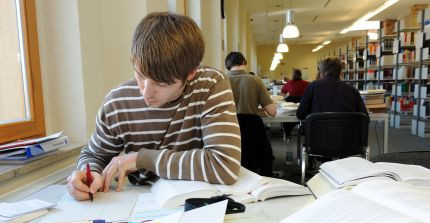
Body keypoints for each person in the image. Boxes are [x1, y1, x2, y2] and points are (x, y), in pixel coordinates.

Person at [67, 12, 241, 201]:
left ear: (191, 73)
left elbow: (225, 166)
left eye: (162, 83)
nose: (146, 92)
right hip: (137, 202)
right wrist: (89, 174)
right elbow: (93, 154)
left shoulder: (211, 85)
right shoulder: (117, 103)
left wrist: (142, 159)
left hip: (199, 202)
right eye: (140, 75)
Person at [296, 57, 368, 120]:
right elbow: (365, 117)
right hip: (346, 134)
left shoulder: (312, 87)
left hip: (319, 134)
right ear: (340, 73)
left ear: (321, 73)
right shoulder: (352, 90)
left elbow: (300, 114)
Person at [225, 52, 277, 117]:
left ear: (227, 67)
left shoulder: (221, 81)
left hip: (229, 126)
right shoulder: (256, 80)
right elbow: (272, 112)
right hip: (251, 125)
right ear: (244, 62)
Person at [280, 69, 309, 139]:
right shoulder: (307, 83)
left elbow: (282, 92)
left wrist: (288, 95)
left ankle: (287, 132)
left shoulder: (289, 83)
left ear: (293, 75)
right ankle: (303, 130)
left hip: (290, 107)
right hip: (303, 107)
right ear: (301, 75)